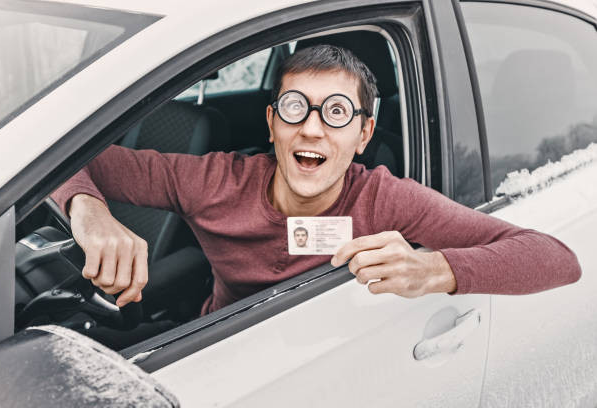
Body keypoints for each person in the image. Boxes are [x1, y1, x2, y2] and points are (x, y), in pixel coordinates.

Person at [52, 45, 581, 315]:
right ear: (272, 123)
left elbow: (557, 257)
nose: (311, 127)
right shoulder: (211, 181)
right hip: (216, 352)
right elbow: (62, 157)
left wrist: (434, 269)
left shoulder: (385, 198)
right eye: (294, 107)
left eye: (335, 112)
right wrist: (90, 209)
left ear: (363, 134)